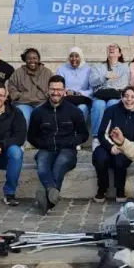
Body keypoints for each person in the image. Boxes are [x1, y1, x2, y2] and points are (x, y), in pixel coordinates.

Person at [29, 75, 90, 214]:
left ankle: (47, 199)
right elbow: (31, 136)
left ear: (64, 91)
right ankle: (51, 195)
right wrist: (43, 144)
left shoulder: (74, 111)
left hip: (67, 150)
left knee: (60, 164)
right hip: (46, 149)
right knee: (42, 166)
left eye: (59, 89)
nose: (55, 92)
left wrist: (70, 142)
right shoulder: (38, 112)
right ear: (48, 90)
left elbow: (83, 134)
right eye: (52, 89)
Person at [92, 86, 134, 203]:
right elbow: (102, 133)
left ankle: (120, 190)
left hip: (128, 147)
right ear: (121, 97)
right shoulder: (111, 110)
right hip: (108, 145)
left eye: (132, 97)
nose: (129, 99)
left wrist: (124, 146)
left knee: (120, 161)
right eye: (126, 96)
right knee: (100, 157)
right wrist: (112, 147)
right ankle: (102, 188)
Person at [89, 43, 130, 150]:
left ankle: (110, 135)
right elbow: (92, 82)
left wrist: (109, 86)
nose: (111, 48)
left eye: (115, 47)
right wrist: (104, 77)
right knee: (98, 104)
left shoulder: (124, 67)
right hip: (100, 95)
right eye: (109, 47)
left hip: (116, 95)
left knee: (112, 104)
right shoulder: (98, 66)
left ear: (119, 53)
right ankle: (96, 137)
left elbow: (124, 84)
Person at [8, 47, 53, 129]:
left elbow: (53, 87)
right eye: (28, 58)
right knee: (24, 118)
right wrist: (18, 96)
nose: (32, 61)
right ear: (25, 60)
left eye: (35, 58)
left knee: (43, 119)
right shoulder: (18, 72)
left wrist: (48, 95)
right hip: (23, 103)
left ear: (39, 59)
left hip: (41, 102)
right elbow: (11, 87)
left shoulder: (47, 72)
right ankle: (25, 140)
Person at [56, 46, 93, 129]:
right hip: (67, 99)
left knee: (81, 109)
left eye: (77, 56)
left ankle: (76, 133)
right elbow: (58, 86)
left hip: (83, 100)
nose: (74, 59)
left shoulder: (89, 70)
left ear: (81, 57)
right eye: (71, 56)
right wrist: (66, 91)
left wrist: (78, 93)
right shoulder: (61, 69)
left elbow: (92, 90)